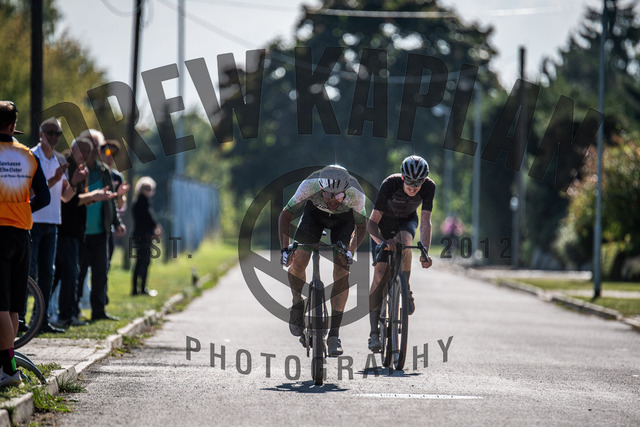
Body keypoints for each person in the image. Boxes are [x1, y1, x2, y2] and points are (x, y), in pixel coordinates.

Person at [279, 165, 367, 357]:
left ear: (346, 191)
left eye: (338, 196)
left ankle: (334, 335)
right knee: (298, 260)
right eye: (327, 195)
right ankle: (297, 302)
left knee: (342, 270)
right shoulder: (309, 185)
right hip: (314, 217)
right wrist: (285, 249)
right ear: (320, 189)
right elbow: (285, 215)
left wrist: (350, 250)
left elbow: (361, 226)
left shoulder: (356, 194)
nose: (333, 201)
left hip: (344, 222)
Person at [0, 101, 50, 387]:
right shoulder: (28, 156)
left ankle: (7, 369)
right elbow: (44, 197)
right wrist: (22, 207)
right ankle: (8, 368)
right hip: (21, 233)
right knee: (13, 307)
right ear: (12, 125)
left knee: (0, 306)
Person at [367, 155, 435, 353]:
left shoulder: (429, 187)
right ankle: (374, 333)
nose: (413, 188)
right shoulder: (390, 184)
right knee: (380, 274)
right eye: (410, 183)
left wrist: (425, 252)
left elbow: (425, 221)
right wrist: (382, 242)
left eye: (418, 184)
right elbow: (371, 223)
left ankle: (405, 286)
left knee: (406, 242)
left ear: (424, 181)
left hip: (407, 221)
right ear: (403, 178)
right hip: (382, 225)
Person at [29, 117, 86, 334]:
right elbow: (29, 192)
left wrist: (75, 181)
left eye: (58, 134)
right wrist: (53, 179)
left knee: (48, 274)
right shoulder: (31, 156)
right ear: (41, 134)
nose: (54, 137)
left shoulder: (59, 158)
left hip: (53, 222)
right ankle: (23, 319)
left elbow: (65, 197)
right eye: (50, 133)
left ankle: (41, 320)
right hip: (34, 221)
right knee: (30, 272)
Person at [53, 137, 116, 329]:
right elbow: (69, 200)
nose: (87, 154)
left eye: (89, 151)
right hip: (65, 228)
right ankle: (63, 314)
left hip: (79, 230)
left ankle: (71, 313)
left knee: (75, 273)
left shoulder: (84, 170)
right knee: (66, 274)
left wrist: (98, 197)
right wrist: (93, 194)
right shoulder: (66, 167)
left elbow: (81, 199)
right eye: (83, 150)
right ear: (73, 149)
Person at [76, 129, 125, 321]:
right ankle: (73, 310)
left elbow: (111, 201)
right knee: (78, 273)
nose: (94, 149)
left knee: (100, 273)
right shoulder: (77, 169)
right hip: (80, 231)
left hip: (100, 231)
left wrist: (117, 223)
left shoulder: (104, 171)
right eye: (89, 145)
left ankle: (98, 311)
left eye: (97, 145)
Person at [131, 176, 161, 296]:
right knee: (143, 261)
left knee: (141, 261)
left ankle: (138, 288)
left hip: (141, 235)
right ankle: (140, 289)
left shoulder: (140, 202)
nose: (149, 191)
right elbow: (148, 218)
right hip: (143, 236)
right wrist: (155, 227)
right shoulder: (142, 203)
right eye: (147, 189)